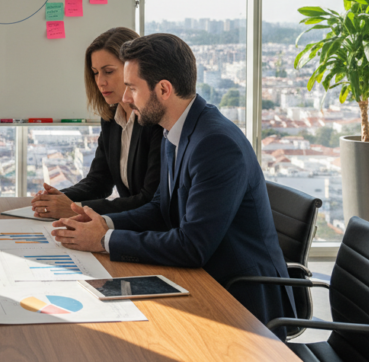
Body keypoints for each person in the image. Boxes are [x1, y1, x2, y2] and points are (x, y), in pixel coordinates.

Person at [50, 33, 294, 334]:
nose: (125, 99)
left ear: (163, 89)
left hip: (239, 299)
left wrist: (103, 241)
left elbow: (193, 246)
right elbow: (160, 209)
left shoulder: (215, 144)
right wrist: (104, 224)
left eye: (132, 88)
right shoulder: (173, 131)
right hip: (198, 278)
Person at [31, 27, 163, 219]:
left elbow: (148, 200)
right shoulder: (111, 117)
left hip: (147, 230)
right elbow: (99, 181)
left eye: (108, 71)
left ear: (133, 69)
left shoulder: (154, 120)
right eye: (95, 73)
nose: (100, 82)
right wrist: (59, 198)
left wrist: (75, 208)